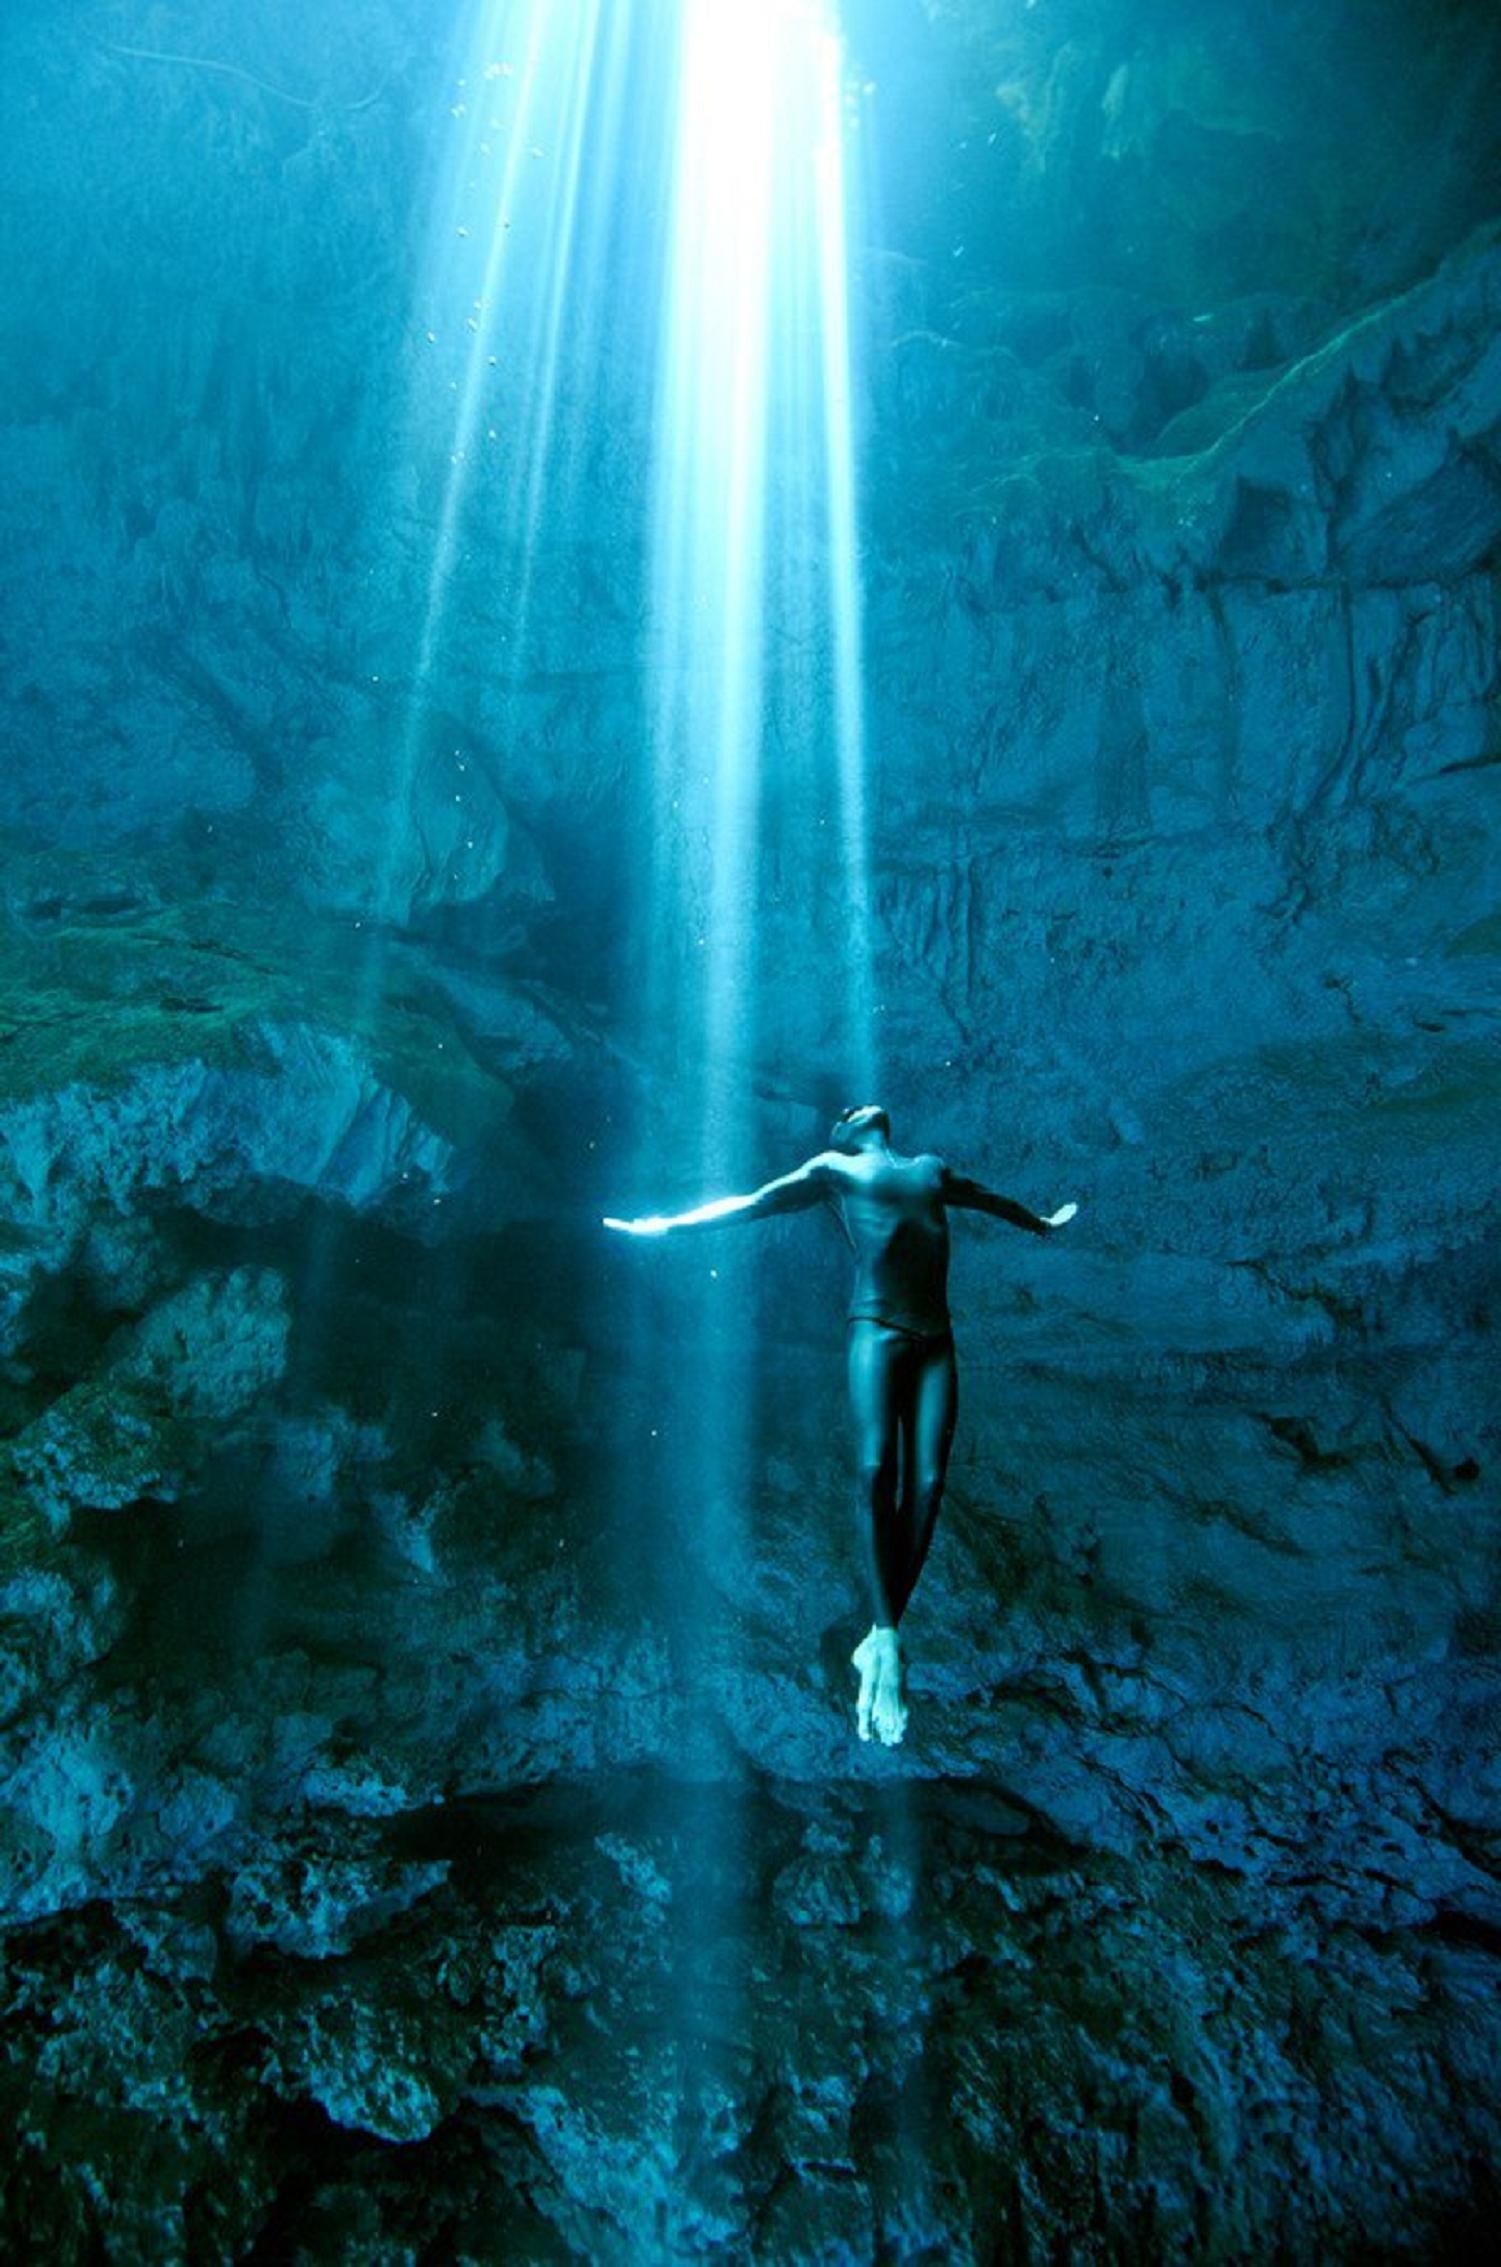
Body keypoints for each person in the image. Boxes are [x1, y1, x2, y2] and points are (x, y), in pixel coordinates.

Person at [604, 1105, 1077, 1747]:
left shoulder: (931, 1168)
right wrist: (667, 1225)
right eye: (846, 1114)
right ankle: (884, 1639)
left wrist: (1042, 1224)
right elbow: (753, 1202)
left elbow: (989, 1200)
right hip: (877, 1329)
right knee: (877, 1467)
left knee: (932, 1480)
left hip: (936, 1339)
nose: (859, 1107)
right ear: (845, 1136)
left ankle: (883, 1638)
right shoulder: (834, 1169)